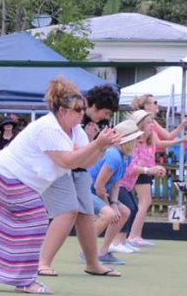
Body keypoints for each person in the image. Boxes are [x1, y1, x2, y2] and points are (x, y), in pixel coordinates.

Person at [0, 77, 116, 294]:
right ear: (62, 110)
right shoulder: (48, 128)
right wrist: (98, 143)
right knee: (36, 220)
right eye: (77, 109)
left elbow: (83, 163)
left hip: (12, 176)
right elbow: (66, 161)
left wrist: (102, 147)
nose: (82, 113)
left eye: (83, 108)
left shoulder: (77, 132)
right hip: (8, 175)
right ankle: (25, 280)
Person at [37, 84, 123, 277]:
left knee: (85, 215)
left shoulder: (88, 126)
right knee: (67, 212)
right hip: (60, 171)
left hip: (79, 172)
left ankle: (93, 263)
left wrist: (100, 146)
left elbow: (87, 161)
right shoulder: (64, 123)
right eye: (105, 112)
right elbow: (69, 157)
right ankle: (43, 262)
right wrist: (95, 143)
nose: (106, 117)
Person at [89, 120, 144, 265]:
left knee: (124, 211)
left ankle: (103, 252)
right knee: (110, 214)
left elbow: (115, 182)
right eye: (136, 139)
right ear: (129, 141)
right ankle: (87, 250)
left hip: (97, 191)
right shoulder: (113, 155)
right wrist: (109, 206)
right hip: (85, 191)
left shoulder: (127, 156)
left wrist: (114, 202)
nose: (139, 141)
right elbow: (99, 186)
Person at [118, 109, 165, 247]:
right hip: (128, 178)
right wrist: (148, 170)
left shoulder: (151, 143)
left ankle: (129, 237)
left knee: (136, 206)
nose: (152, 125)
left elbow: (149, 162)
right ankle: (130, 237)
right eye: (149, 122)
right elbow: (130, 166)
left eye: (152, 122)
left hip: (139, 176)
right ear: (140, 125)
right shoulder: (134, 143)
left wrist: (156, 169)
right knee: (137, 205)